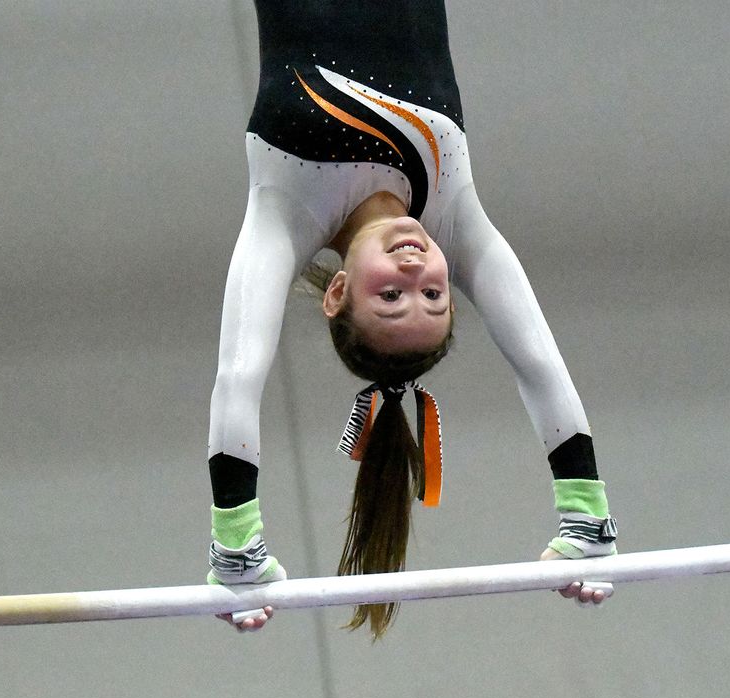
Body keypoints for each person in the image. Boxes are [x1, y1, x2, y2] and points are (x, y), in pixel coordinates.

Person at [207, 0, 619, 637]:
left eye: (390, 299)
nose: (416, 277)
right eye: (435, 297)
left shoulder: (284, 214)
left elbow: (239, 375)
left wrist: (237, 546)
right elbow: (538, 361)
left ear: (337, 292)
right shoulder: (454, 215)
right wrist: (585, 517)